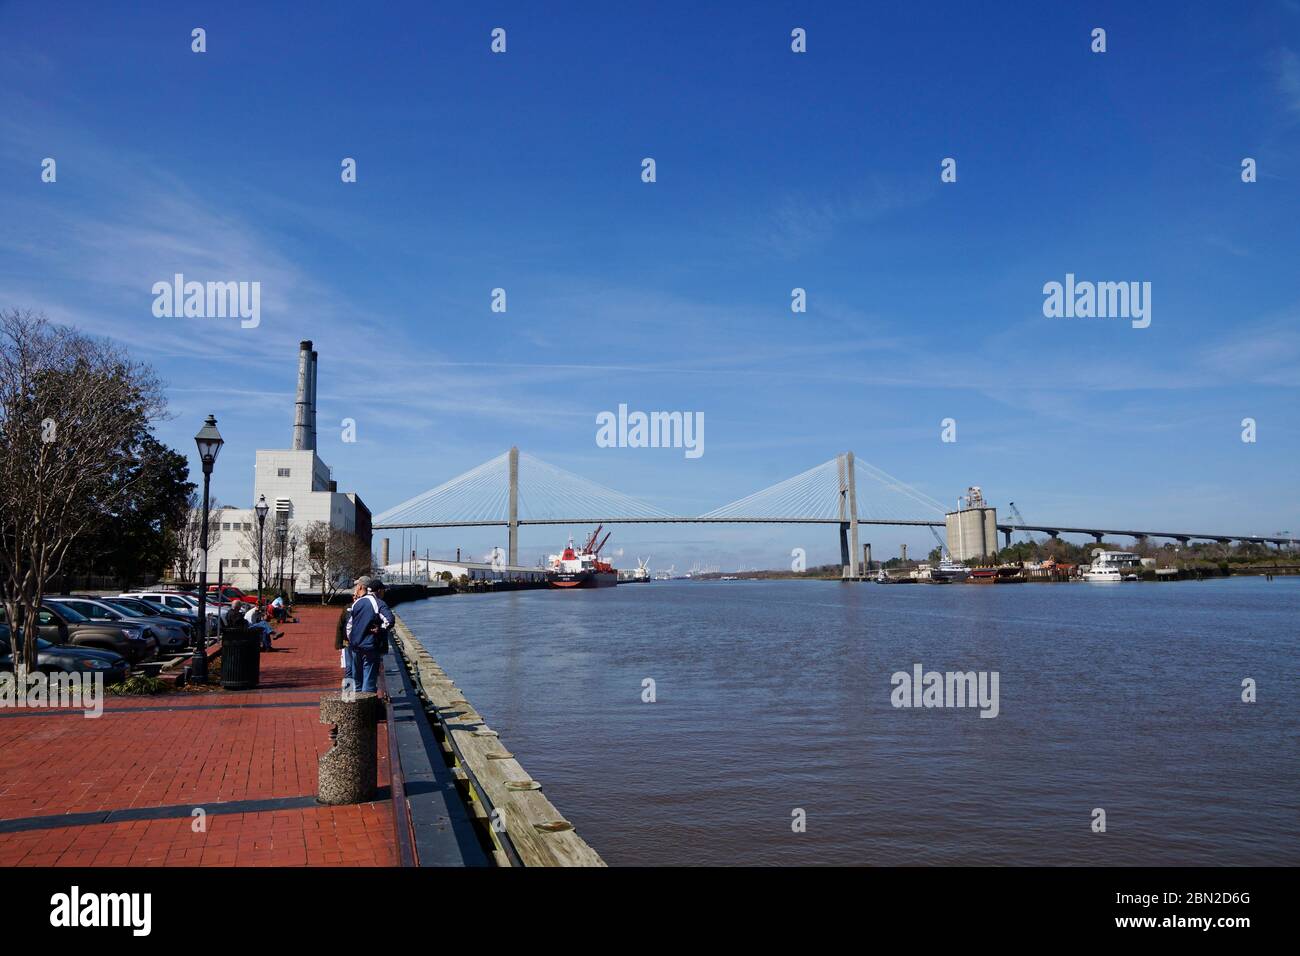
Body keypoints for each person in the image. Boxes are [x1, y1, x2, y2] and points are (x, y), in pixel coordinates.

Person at [346, 577, 392, 694]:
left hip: (355, 647)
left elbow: (349, 626)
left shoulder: (357, 603)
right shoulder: (378, 603)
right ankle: (367, 707)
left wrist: (352, 640)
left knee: (356, 678)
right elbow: (389, 620)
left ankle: (355, 704)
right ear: (380, 591)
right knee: (369, 678)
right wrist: (380, 630)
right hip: (370, 646)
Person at [339, 580, 366, 686]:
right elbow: (341, 626)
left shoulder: (363, 608)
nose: (355, 598)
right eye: (354, 597)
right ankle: (348, 694)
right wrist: (340, 643)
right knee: (349, 667)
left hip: (359, 642)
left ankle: (360, 692)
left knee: (359, 668)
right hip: (348, 642)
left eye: (357, 597)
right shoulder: (347, 608)